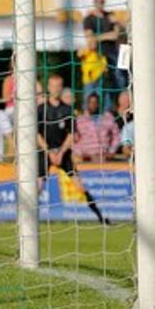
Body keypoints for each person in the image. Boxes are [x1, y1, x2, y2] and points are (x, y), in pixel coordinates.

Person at [37, 74, 108, 224]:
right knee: (38, 185)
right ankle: (29, 219)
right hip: (45, 152)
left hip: (63, 153)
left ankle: (101, 218)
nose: (55, 89)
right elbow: (36, 134)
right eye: (52, 86)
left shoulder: (67, 110)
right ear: (48, 88)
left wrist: (61, 152)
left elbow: (71, 134)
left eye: (58, 86)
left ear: (61, 88)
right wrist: (49, 152)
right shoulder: (41, 109)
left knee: (79, 186)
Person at [84, 0, 125, 99]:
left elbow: (116, 35)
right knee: (96, 85)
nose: (99, 4)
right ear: (94, 3)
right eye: (97, 1)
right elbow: (90, 39)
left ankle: (117, 108)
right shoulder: (89, 19)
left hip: (112, 54)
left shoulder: (111, 16)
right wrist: (107, 35)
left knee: (119, 81)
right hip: (97, 56)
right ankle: (91, 112)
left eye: (102, 1)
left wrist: (118, 23)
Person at [73, 93, 120, 162]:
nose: (93, 105)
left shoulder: (108, 117)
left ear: (99, 104)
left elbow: (116, 136)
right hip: (86, 158)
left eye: (95, 102)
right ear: (87, 104)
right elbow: (74, 140)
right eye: (91, 102)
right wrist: (82, 154)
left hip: (104, 157)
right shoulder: (80, 120)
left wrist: (111, 151)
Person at [78, 34, 108, 109]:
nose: (93, 44)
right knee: (87, 98)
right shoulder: (86, 52)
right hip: (88, 80)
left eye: (94, 42)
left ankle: (101, 113)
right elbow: (79, 54)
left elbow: (104, 65)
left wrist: (105, 72)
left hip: (99, 80)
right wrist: (89, 47)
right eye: (91, 42)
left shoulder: (99, 53)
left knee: (100, 98)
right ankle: (86, 114)